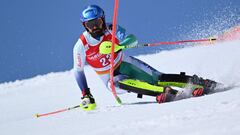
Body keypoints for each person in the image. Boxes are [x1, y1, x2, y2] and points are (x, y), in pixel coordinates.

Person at [73, 5, 217, 109]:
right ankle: (166, 92)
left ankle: (199, 82)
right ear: (84, 26)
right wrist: (86, 94)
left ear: (103, 19)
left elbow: (132, 39)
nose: (95, 28)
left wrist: (118, 47)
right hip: (109, 75)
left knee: (158, 78)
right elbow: (78, 71)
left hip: (124, 64)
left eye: (97, 22)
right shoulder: (81, 45)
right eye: (90, 25)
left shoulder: (111, 28)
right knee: (114, 85)